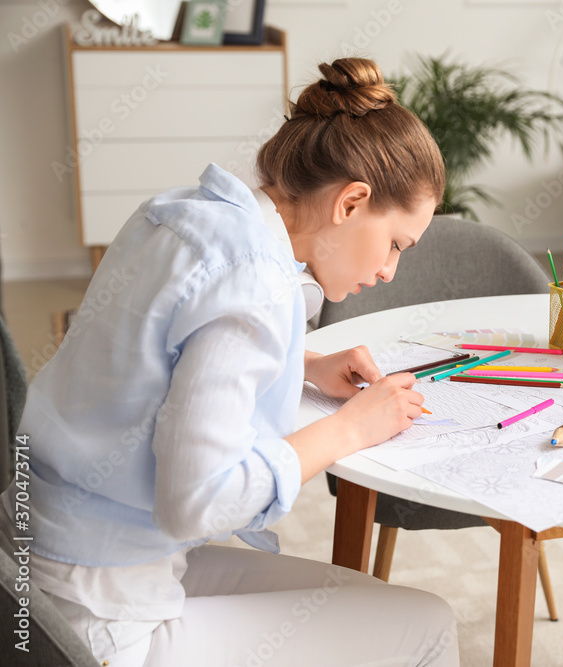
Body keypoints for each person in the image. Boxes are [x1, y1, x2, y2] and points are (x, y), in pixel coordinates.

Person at [0, 58, 460, 666]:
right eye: (395, 244)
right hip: (100, 613)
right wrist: (351, 428)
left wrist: (304, 364)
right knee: (426, 623)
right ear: (351, 202)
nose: (387, 270)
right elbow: (198, 500)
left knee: (375, 602)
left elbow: (162, 348)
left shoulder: (185, 213)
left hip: (41, 555)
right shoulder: (257, 283)